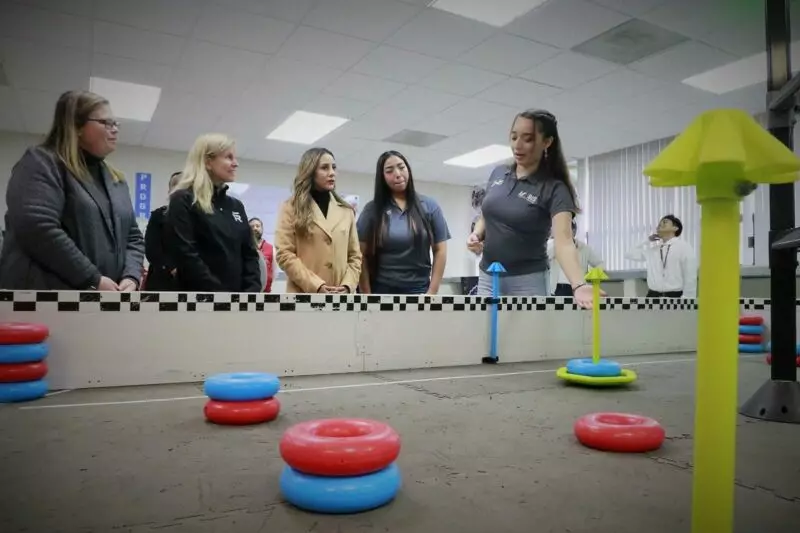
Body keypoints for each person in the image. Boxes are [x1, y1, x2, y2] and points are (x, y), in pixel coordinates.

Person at [0, 90, 144, 291]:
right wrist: (92, 278)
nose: (115, 130)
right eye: (106, 123)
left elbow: (133, 237)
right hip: (44, 297)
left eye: (116, 124)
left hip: (99, 301)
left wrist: (131, 276)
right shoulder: (42, 162)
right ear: (76, 126)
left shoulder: (116, 179)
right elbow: (37, 227)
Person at [466, 109, 602, 309]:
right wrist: (477, 234)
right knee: (487, 338)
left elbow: (563, 242)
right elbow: (488, 213)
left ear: (547, 142)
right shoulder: (498, 173)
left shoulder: (554, 188)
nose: (517, 145)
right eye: (514, 137)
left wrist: (578, 284)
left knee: (526, 339)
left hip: (527, 280)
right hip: (489, 276)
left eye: (527, 139)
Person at [166, 133, 261, 293]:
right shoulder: (183, 200)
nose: (235, 163)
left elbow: (249, 253)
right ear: (208, 162)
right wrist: (220, 295)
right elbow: (186, 255)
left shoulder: (236, 205)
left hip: (239, 303)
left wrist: (250, 293)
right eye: (228, 157)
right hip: (199, 301)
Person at [357, 150, 450, 295]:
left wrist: (432, 292)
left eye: (401, 167)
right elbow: (360, 255)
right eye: (389, 171)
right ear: (382, 177)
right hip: (382, 290)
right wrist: (366, 294)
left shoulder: (429, 206)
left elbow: (440, 250)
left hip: (419, 290)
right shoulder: (372, 209)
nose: (398, 174)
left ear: (408, 169)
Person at [274, 147, 361, 294]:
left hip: (340, 298)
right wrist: (316, 286)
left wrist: (347, 285)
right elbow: (285, 254)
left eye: (334, 167)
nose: (332, 173)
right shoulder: (290, 207)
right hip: (304, 296)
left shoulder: (346, 211)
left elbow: (355, 257)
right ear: (310, 171)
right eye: (324, 168)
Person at [624, 214, 697, 298]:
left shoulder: (684, 247)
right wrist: (647, 240)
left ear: (675, 228)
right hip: (653, 296)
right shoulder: (653, 250)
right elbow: (628, 253)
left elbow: (690, 275)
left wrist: (687, 298)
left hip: (675, 296)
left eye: (664, 222)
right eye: (659, 224)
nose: (660, 225)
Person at [143, 171, 181, 291]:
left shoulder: (198, 219)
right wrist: (171, 268)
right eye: (175, 185)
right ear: (169, 190)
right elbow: (152, 249)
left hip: (190, 281)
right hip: (161, 279)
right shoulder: (159, 215)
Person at [546, 216, 604, 296]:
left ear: (574, 231)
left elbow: (600, 264)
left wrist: (590, 276)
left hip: (578, 287)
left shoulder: (583, 248)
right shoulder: (552, 244)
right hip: (558, 287)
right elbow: (544, 257)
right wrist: (556, 241)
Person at [249, 217, 275, 292]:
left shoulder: (271, 249)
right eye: (252, 226)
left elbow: (274, 273)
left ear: (262, 228)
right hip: (249, 292)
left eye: (257, 226)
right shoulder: (244, 248)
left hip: (266, 293)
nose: (255, 228)